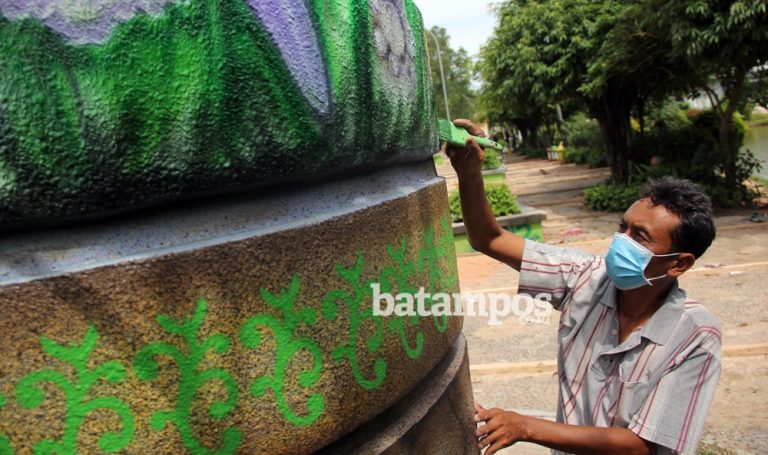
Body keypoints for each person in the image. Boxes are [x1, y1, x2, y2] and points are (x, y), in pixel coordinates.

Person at [446, 119, 722, 455]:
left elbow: (642, 446)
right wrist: (470, 173)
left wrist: (525, 426)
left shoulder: (696, 335)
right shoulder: (585, 277)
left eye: (640, 236)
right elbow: (490, 238)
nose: (621, 241)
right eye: (624, 227)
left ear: (679, 263)